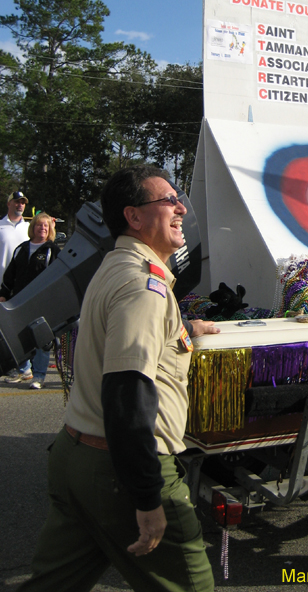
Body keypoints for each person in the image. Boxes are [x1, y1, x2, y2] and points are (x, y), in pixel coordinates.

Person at [18, 166, 220, 592]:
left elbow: (134, 337)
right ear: (134, 216)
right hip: (118, 471)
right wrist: (147, 497)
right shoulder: (142, 287)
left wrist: (184, 328)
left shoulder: (116, 269)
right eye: (169, 200)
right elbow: (127, 396)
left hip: (77, 457)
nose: (181, 206)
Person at [0, 212, 60, 388]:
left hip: (41, 304)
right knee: (20, 338)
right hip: (19, 301)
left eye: (45, 226)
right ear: (32, 227)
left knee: (42, 340)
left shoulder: (52, 250)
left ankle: (39, 376)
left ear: (50, 230)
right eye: (38, 225)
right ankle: (24, 370)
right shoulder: (22, 248)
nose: (42, 228)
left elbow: (56, 279)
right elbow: (10, 275)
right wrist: (3, 292)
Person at [0, 191, 34, 383]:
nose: (20, 205)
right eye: (16, 202)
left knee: (17, 327)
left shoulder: (29, 228)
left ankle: (22, 367)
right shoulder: (0, 226)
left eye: (23, 203)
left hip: (21, 285)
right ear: (9, 204)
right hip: (2, 285)